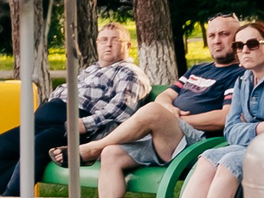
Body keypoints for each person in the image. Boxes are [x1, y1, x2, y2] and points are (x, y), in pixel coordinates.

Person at [0, 20, 148, 197]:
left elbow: (123, 109)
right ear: (97, 44)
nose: (108, 44)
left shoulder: (128, 72)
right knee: (2, 143)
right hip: (45, 121)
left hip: (75, 129)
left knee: (36, 145)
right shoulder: (91, 70)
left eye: (116, 40)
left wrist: (85, 124)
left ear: (128, 46)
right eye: (104, 40)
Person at [76, 14, 245, 177]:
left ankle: (93, 148)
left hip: (198, 142)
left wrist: (172, 119)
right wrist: (169, 110)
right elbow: (163, 97)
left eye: (224, 34)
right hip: (165, 136)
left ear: (238, 39)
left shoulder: (239, 74)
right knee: (111, 154)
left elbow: (224, 117)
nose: (216, 40)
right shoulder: (198, 69)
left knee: (153, 111)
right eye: (212, 35)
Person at [184, 18, 264, 198]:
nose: (244, 50)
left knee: (230, 162)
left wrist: (250, 126)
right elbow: (230, 130)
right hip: (251, 145)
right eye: (238, 45)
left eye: (252, 44)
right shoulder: (243, 80)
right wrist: (259, 127)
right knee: (207, 157)